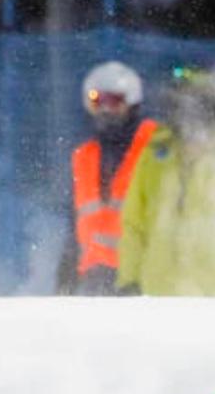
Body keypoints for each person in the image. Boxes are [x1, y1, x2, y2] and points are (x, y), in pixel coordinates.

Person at [116, 66, 215, 296]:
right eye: (180, 102)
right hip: (159, 292)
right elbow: (134, 223)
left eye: (196, 102)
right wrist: (129, 280)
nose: (187, 111)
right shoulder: (157, 149)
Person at [56, 61, 159, 296]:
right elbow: (74, 227)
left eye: (114, 102)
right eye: (97, 101)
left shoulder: (155, 146)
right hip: (95, 280)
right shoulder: (84, 156)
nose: (105, 110)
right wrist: (66, 278)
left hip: (140, 277)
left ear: (131, 103)